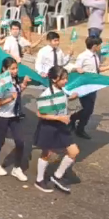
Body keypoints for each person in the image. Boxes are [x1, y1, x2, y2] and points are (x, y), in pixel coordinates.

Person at [34, 66, 80, 194]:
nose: (66, 81)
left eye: (66, 78)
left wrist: (72, 98)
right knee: (46, 154)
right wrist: (59, 117)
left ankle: (57, 176)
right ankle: (39, 180)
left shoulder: (62, 90)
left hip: (61, 126)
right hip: (49, 127)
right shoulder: (47, 94)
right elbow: (39, 114)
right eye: (63, 79)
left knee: (74, 152)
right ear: (54, 79)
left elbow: (60, 101)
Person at [0, 57, 30, 181]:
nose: (15, 71)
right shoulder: (1, 83)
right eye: (12, 68)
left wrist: (24, 84)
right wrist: (10, 99)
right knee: (0, 141)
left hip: (14, 115)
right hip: (2, 116)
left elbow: (16, 92)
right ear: (4, 69)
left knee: (20, 141)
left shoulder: (13, 80)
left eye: (16, 68)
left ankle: (17, 168)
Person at [71, 37, 109, 139]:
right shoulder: (83, 56)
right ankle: (80, 128)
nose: (101, 47)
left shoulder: (96, 56)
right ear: (95, 46)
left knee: (89, 109)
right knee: (87, 109)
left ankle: (74, 118)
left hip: (93, 86)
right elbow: (74, 69)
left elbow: (97, 69)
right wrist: (77, 69)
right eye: (100, 45)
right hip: (84, 86)